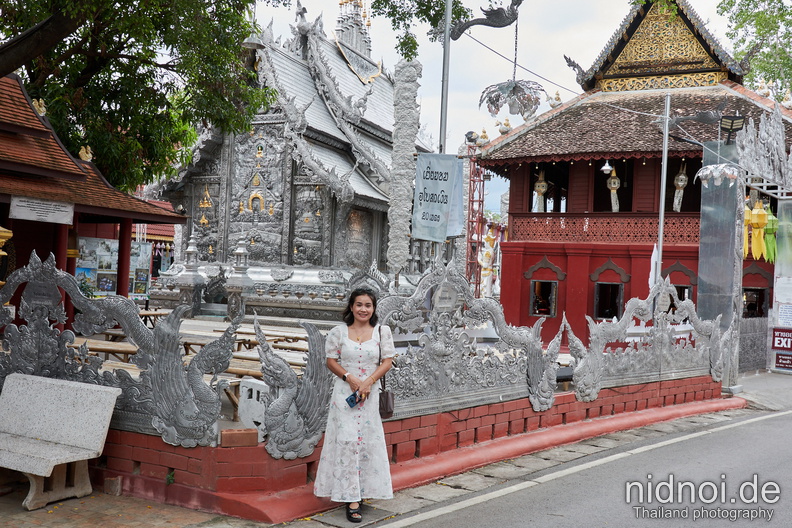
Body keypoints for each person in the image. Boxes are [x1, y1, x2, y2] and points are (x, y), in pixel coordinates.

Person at [314, 288, 395, 523]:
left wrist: (368, 381)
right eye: (359, 304)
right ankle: (350, 498)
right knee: (347, 441)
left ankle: (363, 490)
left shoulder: (382, 331)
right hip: (344, 396)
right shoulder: (339, 332)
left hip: (369, 396)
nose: (363, 309)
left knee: (367, 440)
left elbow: (387, 361)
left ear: (373, 308)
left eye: (368, 305)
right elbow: (331, 360)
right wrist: (350, 378)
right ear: (351, 307)